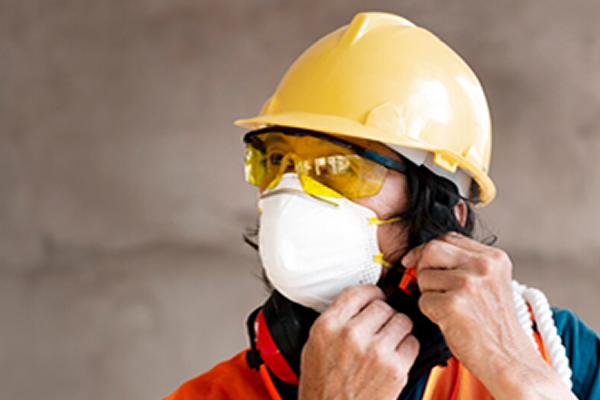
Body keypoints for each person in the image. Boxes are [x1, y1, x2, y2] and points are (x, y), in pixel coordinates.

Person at [165, 12, 600, 400]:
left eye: (341, 166)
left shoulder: (557, 353)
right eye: (276, 161)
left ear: (445, 213)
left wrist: (517, 372)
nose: (292, 192)